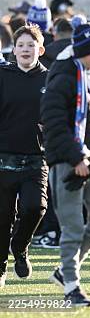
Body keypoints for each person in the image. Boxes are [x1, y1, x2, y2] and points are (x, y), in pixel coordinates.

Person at [40, 17, 90, 307]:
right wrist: (76, 157)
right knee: (73, 227)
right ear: (84, 51)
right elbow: (53, 124)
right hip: (68, 162)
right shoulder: (63, 75)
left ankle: (64, 271)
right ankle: (72, 286)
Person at [0, 25, 48, 287]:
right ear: (14, 49)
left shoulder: (49, 79)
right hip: (3, 157)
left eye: (31, 45)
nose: (25, 50)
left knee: (35, 208)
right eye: (21, 45)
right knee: (2, 216)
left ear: (40, 50)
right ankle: (0, 268)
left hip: (35, 158)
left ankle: (20, 248)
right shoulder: (3, 75)